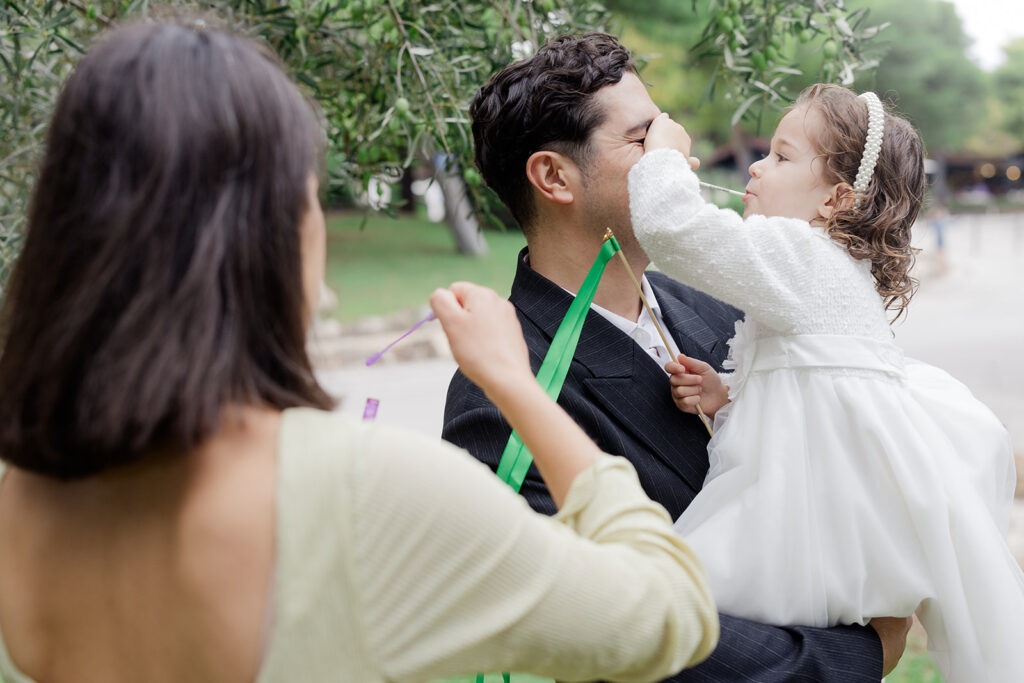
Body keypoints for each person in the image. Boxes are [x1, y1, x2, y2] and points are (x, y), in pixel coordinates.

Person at [0, 21, 724, 683]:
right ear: (276, 230)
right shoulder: (363, 491)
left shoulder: (25, 501)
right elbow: (669, 613)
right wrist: (519, 386)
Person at [443, 32, 910, 680]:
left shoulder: (727, 310)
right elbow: (624, 628)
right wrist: (864, 652)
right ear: (554, 176)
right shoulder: (503, 395)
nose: (679, 160)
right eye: (645, 142)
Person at [628, 84, 1023, 681]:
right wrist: (728, 396)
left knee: (673, 605)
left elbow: (674, 231)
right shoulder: (831, 269)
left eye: (782, 157)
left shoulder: (802, 255)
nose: (758, 165)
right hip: (829, 513)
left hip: (795, 515)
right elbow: (812, 394)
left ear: (837, 200)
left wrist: (661, 154)